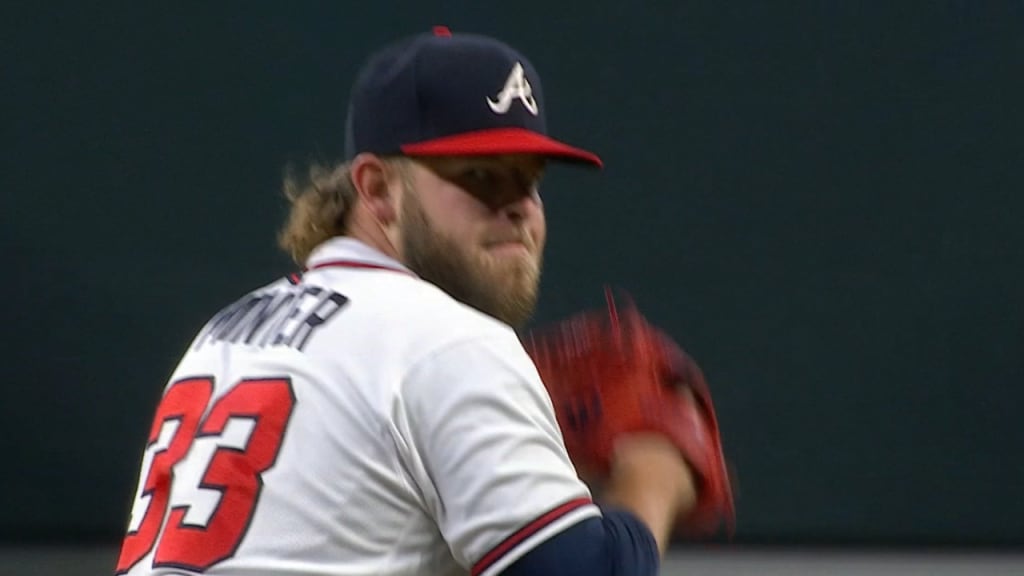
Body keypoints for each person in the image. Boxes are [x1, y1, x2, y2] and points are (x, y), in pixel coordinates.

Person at [114, 26, 698, 576]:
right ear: (376, 188)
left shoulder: (223, 334)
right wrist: (652, 475)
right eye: (481, 176)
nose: (519, 206)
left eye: (530, 180)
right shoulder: (447, 342)